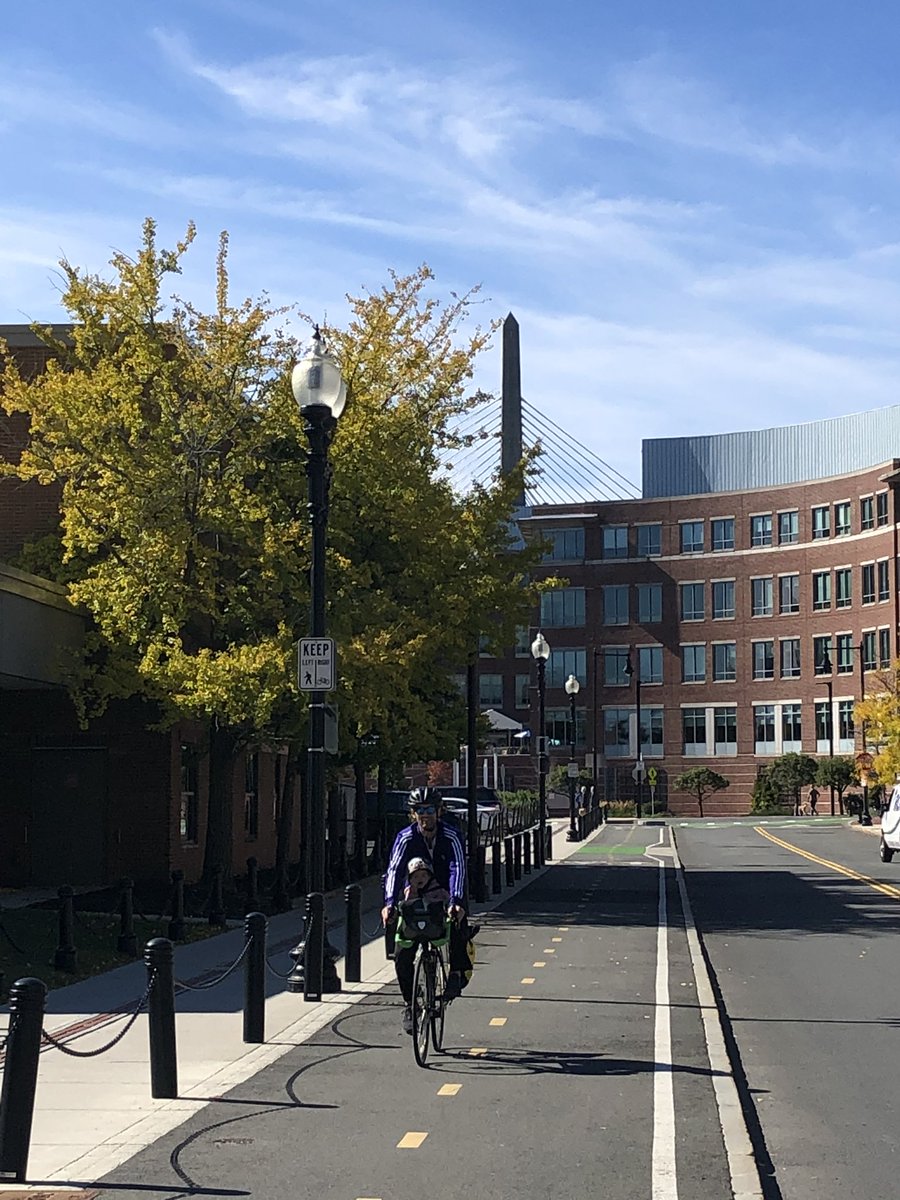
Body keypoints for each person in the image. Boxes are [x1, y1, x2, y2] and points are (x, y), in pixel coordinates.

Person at [382, 787, 471, 1035]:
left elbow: (457, 867)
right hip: (414, 897)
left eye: (430, 810)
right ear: (413, 814)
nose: (425, 816)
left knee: (458, 926)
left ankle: (455, 975)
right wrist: (389, 903)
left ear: (439, 812)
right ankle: (410, 1004)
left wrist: (456, 900)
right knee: (401, 953)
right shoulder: (406, 838)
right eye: (420, 811)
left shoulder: (450, 836)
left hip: (445, 892)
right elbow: (394, 870)